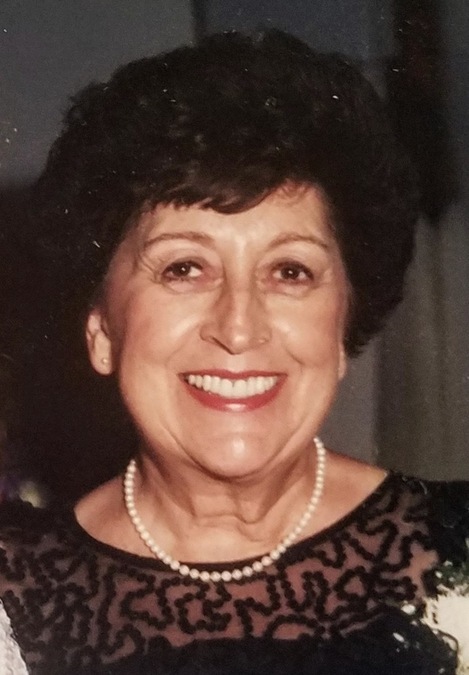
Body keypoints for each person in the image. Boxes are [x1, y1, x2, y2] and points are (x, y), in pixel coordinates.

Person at [0, 29, 468, 675]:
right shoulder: (11, 594)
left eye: (290, 272)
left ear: (342, 328)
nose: (239, 328)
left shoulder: (455, 552)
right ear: (102, 329)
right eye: (184, 268)